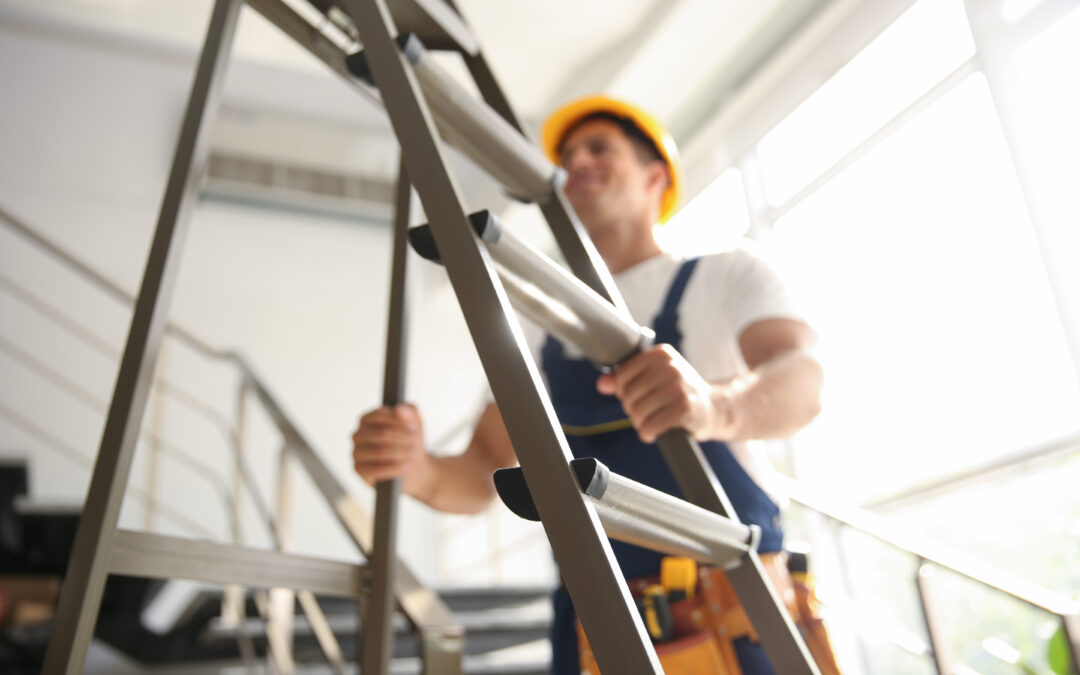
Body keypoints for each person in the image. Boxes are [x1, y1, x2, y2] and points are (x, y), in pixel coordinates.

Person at [352, 95, 826, 674]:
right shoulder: (536, 320)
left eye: (599, 148)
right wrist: (416, 470)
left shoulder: (725, 274)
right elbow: (483, 467)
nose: (576, 161)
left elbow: (801, 378)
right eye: (567, 154)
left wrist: (714, 405)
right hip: (597, 624)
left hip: (736, 611)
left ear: (656, 176)